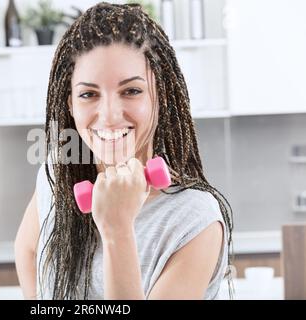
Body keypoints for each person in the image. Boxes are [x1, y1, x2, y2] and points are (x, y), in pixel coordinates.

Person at [15, 2, 233, 300]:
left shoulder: (195, 220)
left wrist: (117, 229)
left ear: (161, 96)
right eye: (88, 94)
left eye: (131, 91)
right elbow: (27, 251)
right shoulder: (56, 175)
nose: (109, 115)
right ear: (71, 104)